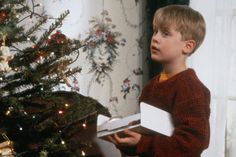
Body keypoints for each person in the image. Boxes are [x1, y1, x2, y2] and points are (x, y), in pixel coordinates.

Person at [108, 5, 210, 157]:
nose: (155, 38)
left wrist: (141, 143)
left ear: (188, 46)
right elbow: (147, 139)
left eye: (165, 34)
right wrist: (128, 141)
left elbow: (192, 144)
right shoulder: (151, 86)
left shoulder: (191, 88)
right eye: (155, 31)